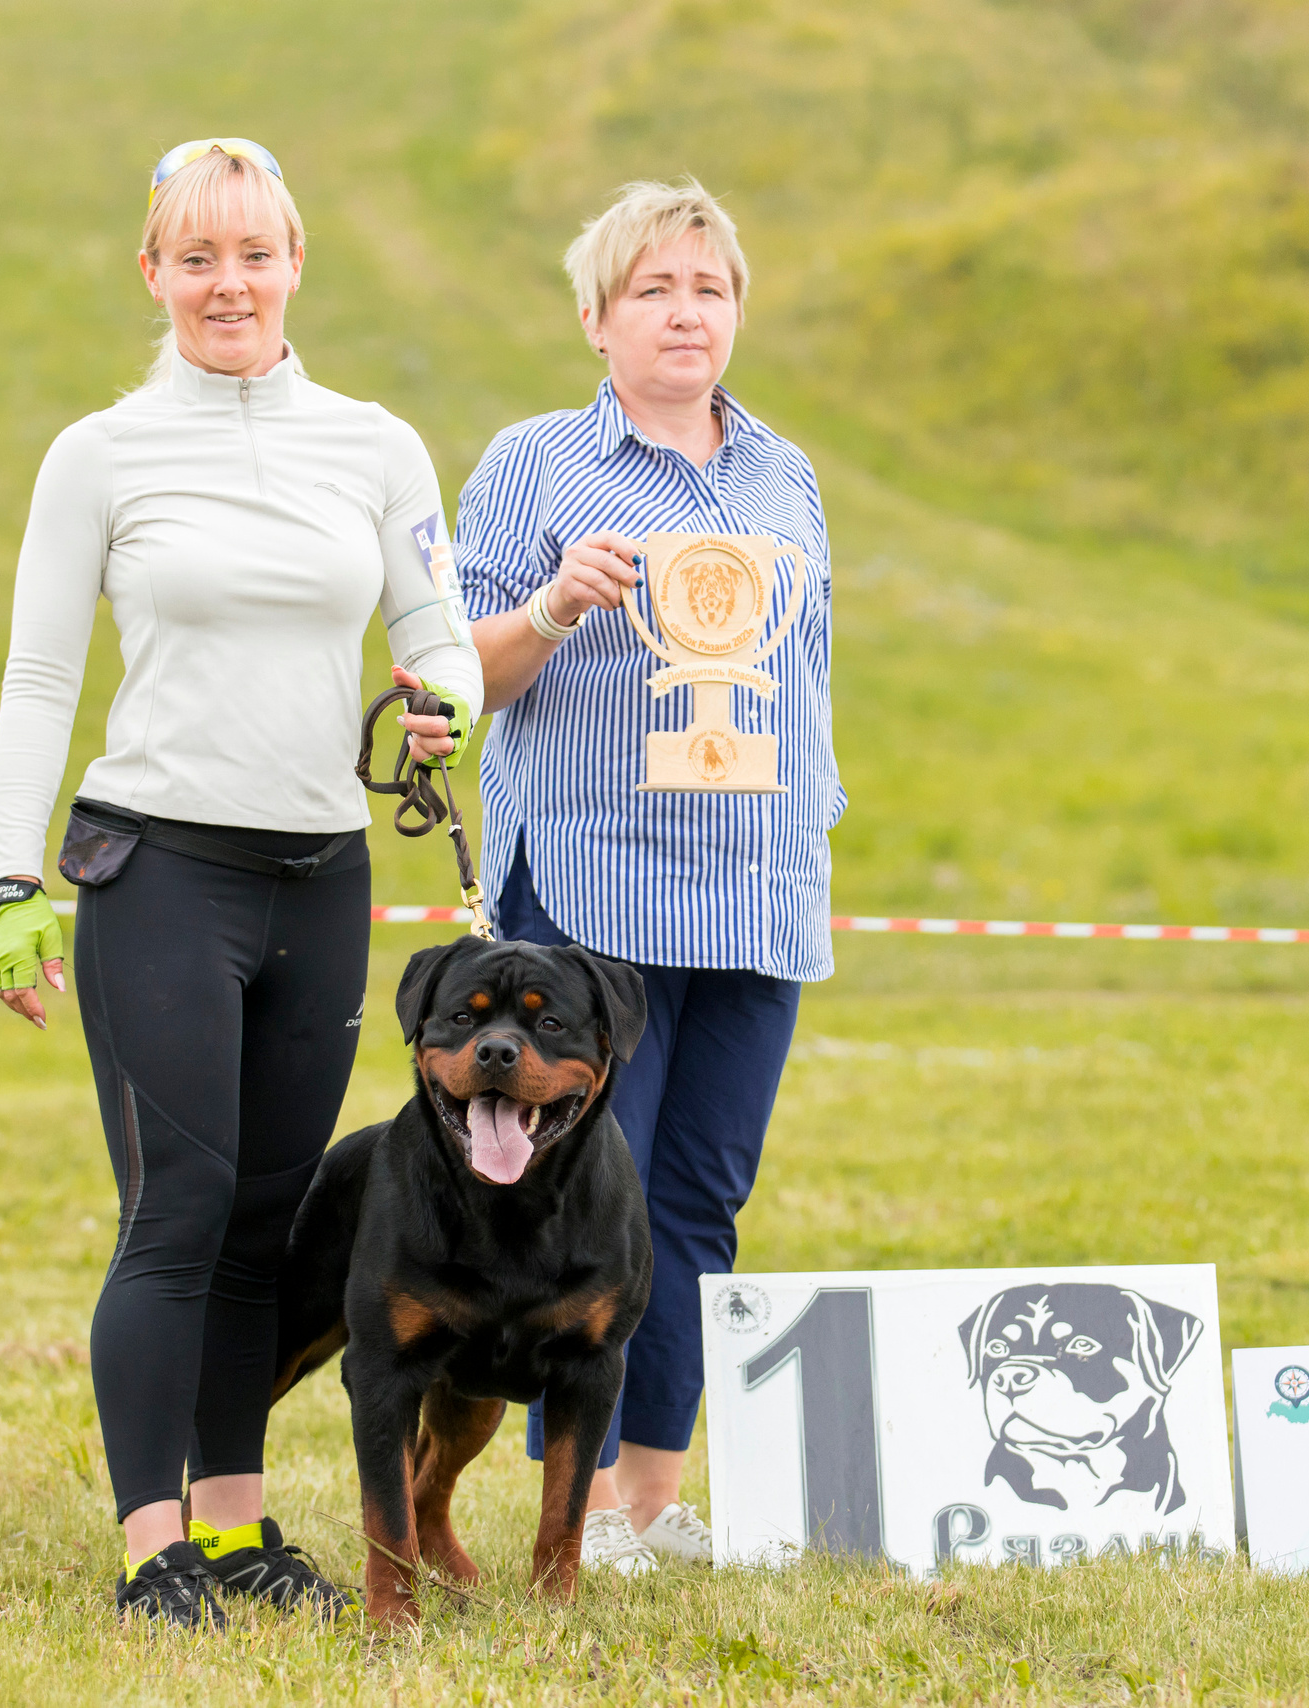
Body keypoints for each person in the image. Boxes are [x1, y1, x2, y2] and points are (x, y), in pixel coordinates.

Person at [0, 138, 481, 1630]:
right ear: (153, 275)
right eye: (195, 258)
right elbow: (38, 676)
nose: (227, 284)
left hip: (321, 876)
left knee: (268, 1221)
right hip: (162, 871)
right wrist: (15, 882)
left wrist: (440, 692)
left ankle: (242, 1527)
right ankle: (154, 1554)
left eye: (252, 253)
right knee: (178, 1210)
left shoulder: (379, 445)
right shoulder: (102, 452)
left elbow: (438, 624)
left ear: (296, 261)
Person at [455, 178, 841, 1574]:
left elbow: (806, 683)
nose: (688, 314)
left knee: (699, 1204)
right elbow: (461, 670)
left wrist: (815, 838)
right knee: (581, 1202)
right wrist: (557, 602)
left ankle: (648, 1510)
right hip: (594, 897)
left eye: (712, 290)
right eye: (655, 291)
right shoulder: (535, 463)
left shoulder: (783, 476)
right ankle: (559, 1498)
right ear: (595, 319)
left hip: (755, 893)